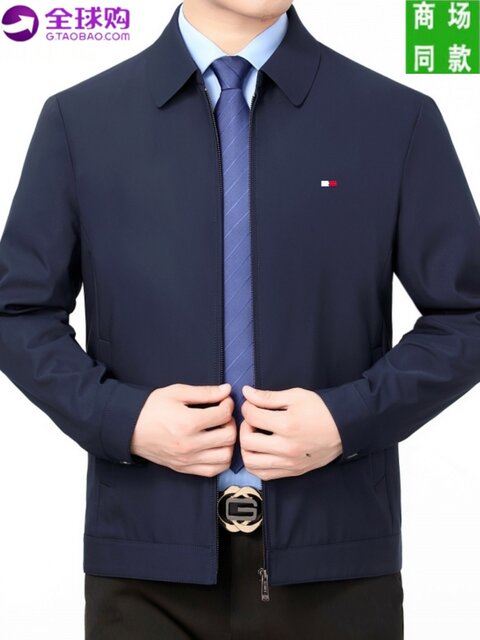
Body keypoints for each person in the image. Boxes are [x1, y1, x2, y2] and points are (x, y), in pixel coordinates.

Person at [1, 0, 479, 638]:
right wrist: (123, 419)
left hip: (336, 562)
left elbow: (466, 313)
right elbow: (18, 310)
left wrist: (348, 419)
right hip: (145, 565)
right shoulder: (80, 120)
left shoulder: (395, 118)